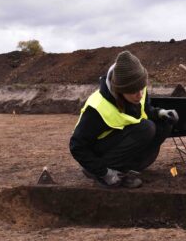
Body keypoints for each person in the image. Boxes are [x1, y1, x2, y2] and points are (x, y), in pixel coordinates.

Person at [70, 51, 178, 188]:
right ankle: (107, 172)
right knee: (146, 128)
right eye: (134, 91)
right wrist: (103, 172)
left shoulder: (137, 89)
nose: (140, 95)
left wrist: (161, 113)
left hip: (117, 144)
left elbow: (145, 110)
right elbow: (77, 146)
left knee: (164, 124)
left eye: (142, 88)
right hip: (97, 154)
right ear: (119, 90)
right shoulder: (97, 108)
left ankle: (128, 168)